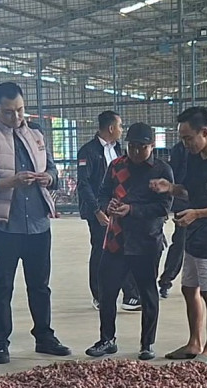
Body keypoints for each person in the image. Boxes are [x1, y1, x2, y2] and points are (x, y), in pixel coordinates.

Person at [0, 82, 72, 364]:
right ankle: (0, 343)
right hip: (4, 225)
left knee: (40, 284)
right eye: (9, 113)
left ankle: (44, 336)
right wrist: (9, 182)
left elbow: (52, 168)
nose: (16, 118)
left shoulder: (36, 132)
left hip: (38, 222)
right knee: (2, 286)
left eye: (20, 111)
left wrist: (48, 178)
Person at [150, 107, 207, 365]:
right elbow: (189, 192)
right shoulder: (192, 156)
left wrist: (198, 214)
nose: (185, 143)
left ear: (204, 131)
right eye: (182, 138)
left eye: (188, 137)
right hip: (192, 234)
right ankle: (194, 342)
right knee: (189, 288)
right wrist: (169, 188)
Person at [86, 123, 172, 361]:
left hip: (145, 241)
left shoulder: (162, 170)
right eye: (132, 147)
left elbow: (164, 207)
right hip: (116, 240)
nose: (135, 152)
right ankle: (107, 339)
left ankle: (147, 343)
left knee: (147, 292)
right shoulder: (116, 166)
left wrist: (132, 210)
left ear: (152, 146)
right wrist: (108, 205)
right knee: (107, 291)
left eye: (141, 148)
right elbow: (103, 193)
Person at [77, 110, 141, 313]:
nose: (122, 130)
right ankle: (99, 295)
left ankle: (131, 296)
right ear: (111, 128)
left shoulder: (119, 149)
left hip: (117, 210)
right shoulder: (88, 151)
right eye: (120, 126)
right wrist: (97, 210)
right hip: (98, 212)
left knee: (124, 248)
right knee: (101, 251)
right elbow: (84, 184)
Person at [157, 140, 189, 300]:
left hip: (204, 204)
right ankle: (166, 281)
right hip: (184, 202)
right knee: (180, 242)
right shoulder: (180, 150)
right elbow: (173, 178)